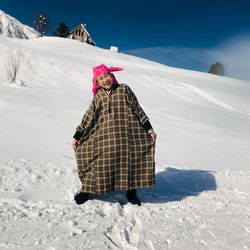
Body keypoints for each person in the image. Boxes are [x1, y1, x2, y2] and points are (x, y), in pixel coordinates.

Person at [72, 64, 157, 206]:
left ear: (112, 76)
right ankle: (86, 190)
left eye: (106, 75)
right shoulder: (98, 96)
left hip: (128, 136)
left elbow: (138, 109)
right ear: (97, 82)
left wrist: (149, 130)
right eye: (101, 78)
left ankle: (131, 193)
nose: (105, 79)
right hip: (106, 137)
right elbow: (88, 116)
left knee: (131, 161)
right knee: (96, 160)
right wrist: (77, 136)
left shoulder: (123, 89)